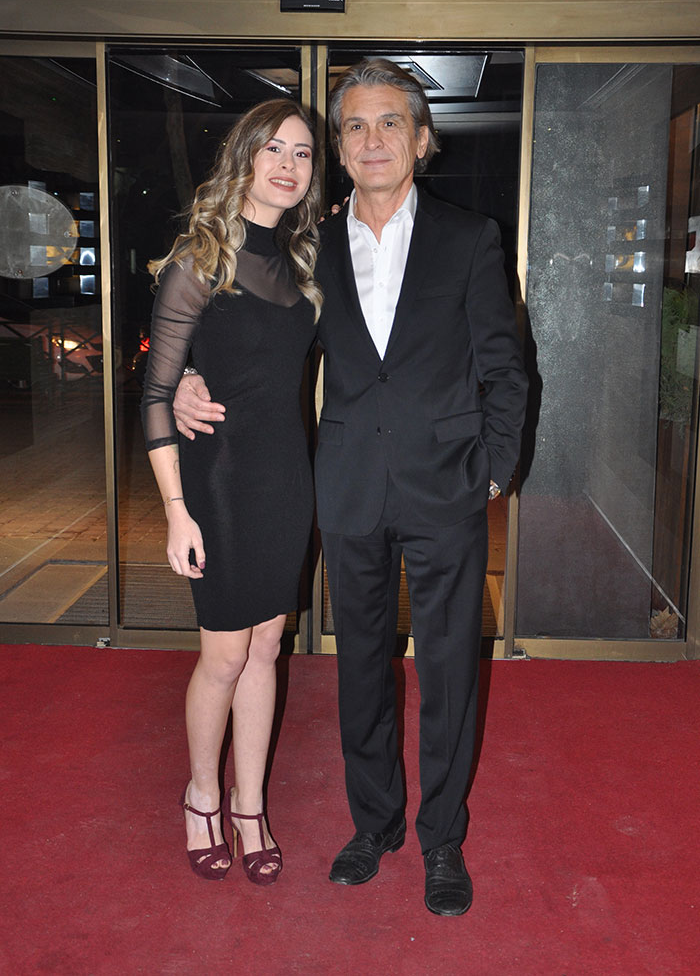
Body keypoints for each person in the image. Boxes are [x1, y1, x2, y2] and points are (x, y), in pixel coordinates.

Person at [173, 58, 528, 914]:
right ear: (340, 147)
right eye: (355, 126)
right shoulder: (313, 247)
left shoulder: (470, 238)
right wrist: (183, 377)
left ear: (422, 138)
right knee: (361, 667)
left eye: (390, 122)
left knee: (447, 668)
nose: (372, 140)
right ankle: (375, 823)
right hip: (345, 488)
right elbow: (252, 337)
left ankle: (442, 838)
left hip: (446, 487)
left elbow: (507, 368)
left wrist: (492, 468)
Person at [141, 99, 322, 884]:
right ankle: (202, 795)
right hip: (216, 480)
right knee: (223, 654)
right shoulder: (200, 259)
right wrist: (175, 511)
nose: (288, 164)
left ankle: (251, 805)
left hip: (286, 477)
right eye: (273, 148)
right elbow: (155, 392)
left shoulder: (306, 263)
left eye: (303, 153)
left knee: (268, 647)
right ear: (244, 156)